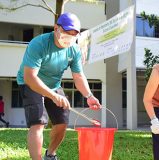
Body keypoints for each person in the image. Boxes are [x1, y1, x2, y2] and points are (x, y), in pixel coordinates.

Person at [16, 13, 101, 160]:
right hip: (30, 83)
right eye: (66, 34)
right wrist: (53, 95)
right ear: (56, 29)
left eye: (74, 36)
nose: (69, 39)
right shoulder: (39, 44)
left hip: (54, 85)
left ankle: (50, 154)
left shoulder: (74, 50)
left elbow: (78, 76)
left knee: (62, 122)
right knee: (38, 123)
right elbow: (30, 77)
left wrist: (89, 96)